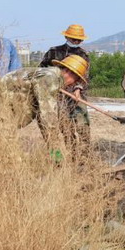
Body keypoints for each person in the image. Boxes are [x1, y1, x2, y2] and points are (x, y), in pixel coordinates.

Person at [0, 54, 90, 162]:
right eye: (75, 80)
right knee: (11, 159)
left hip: (4, 112)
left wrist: (53, 152)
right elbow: (48, 119)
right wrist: (57, 156)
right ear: (69, 72)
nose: (73, 84)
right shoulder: (49, 79)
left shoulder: (48, 75)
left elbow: (42, 118)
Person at [40, 25, 91, 155]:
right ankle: (71, 154)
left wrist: (78, 89)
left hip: (76, 94)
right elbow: (42, 70)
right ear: (67, 36)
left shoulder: (83, 55)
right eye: (74, 39)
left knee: (82, 126)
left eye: (79, 40)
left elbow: (85, 76)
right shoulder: (53, 52)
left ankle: (84, 156)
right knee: (65, 126)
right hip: (57, 94)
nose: (76, 42)